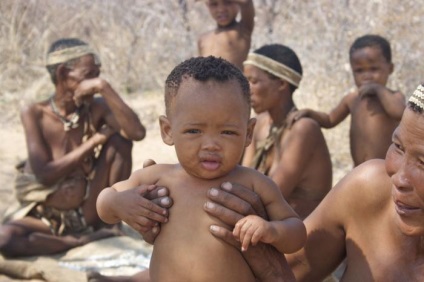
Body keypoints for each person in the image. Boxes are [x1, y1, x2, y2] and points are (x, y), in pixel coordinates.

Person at [96, 56, 306, 281]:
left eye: (227, 132)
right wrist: (118, 203)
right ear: (168, 130)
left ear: (248, 132)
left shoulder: (254, 183)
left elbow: (296, 231)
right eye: (194, 131)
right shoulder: (157, 178)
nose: (211, 145)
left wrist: (271, 230)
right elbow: (105, 202)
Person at [0, 38, 146, 257]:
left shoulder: (96, 107)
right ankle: (81, 240)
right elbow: (45, 175)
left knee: (120, 143)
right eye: (89, 75)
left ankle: (110, 222)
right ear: (62, 74)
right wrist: (95, 141)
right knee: (6, 240)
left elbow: (137, 133)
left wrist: (105, 88)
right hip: (45, 217)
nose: (95, 82)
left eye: (98, 75)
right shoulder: (35, 113)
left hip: (88, 212)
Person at [241, 44, 332, 219]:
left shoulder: (304, 129)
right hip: (266, 228)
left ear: (282, 84)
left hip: (302, 236)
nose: (247, 90)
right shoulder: (259, 124)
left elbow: (272, 195)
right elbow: (244, 177)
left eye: (253, 82)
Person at [290, 34, 406, 167]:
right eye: (359, 71)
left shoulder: (393, 96)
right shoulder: (352, 99)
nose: (367, 76)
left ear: (390, 68)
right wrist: (310, 113)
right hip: (357, 169)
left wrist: (378, 89)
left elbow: (399, 113)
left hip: (385, 169)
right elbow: (330, 120)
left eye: (374, 69)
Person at [197, 0, 255, 70]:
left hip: (232, 80)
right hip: (208, 80)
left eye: (228, 2)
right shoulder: (203, 39)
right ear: (207, 5)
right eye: (214, 4)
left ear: (237, 4)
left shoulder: (243, 30)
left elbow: (246, 2)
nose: (221, 9)